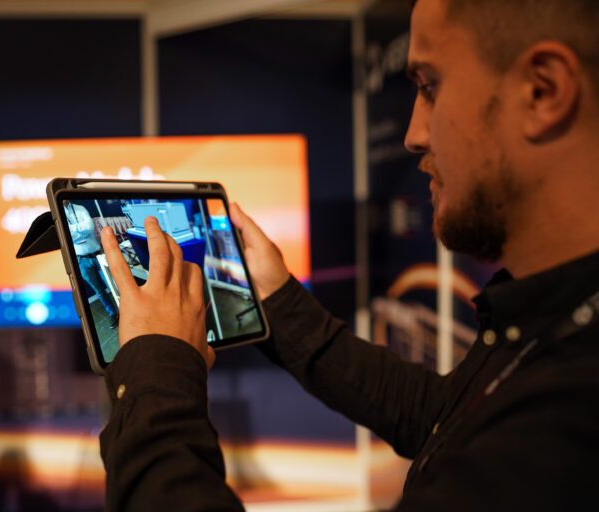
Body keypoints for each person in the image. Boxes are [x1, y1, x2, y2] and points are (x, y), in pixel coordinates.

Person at [97, 0, 599, 509]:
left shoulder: (569, 422)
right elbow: (438, 417)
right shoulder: (553, 327)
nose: (412, 135)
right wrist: (276, 301)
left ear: (543, 90)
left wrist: (156, 368)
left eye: (430, 86)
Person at [63, 200, 119, 328]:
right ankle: (112, 314)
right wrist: (80, 230)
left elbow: (90, 227)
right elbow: (66, 236)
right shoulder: (57, 214)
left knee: (113, 284)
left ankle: (125, 308)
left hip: (97, 255)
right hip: (81, 260)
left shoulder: (80, 208)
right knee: (99, 291)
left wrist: (73, 230)